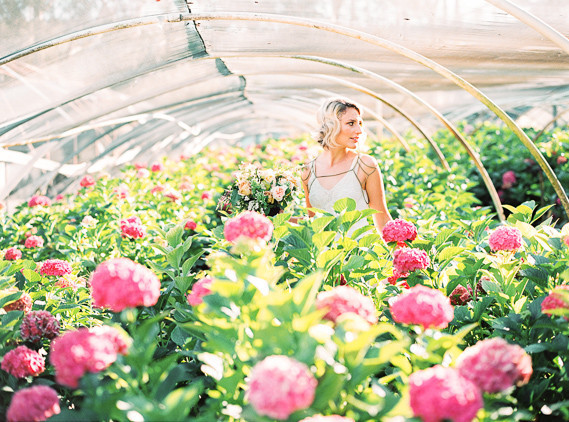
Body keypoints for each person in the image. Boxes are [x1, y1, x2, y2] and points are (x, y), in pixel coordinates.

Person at [301, 97, 392, 235]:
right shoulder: (308, 171)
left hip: (358, 248)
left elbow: (382, 219)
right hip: (324, 249)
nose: (359, 130)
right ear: (331, 125)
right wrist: (275, 217)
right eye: (351, 123)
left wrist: (406, 248)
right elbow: (312, 222)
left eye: (360, 123)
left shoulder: (365, 165)